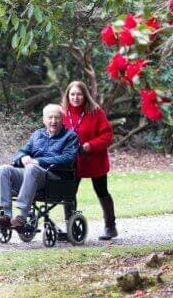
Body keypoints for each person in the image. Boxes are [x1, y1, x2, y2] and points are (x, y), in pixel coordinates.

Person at [0, 104, 79, 230]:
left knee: (32, 168)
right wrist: (22, 157)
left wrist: (38, 161)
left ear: (62, 119)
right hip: (32, 176)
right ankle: (6, 216)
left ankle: (22, 217)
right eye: (50, 117)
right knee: (4, 169)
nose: (53, 121)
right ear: (44, 120)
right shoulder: (37, 135)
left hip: (54, 178)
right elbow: (20, 152)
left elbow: (68, 158)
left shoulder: (70, 136)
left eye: (57, 117)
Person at [61, 80, 117, 240]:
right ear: (68, 95)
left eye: (79, 94)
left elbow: (107, 136)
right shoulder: (63, 113)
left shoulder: (96, 112)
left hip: (94, 160)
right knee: (68, 194)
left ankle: (110, 226)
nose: (76, 97)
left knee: (101, 191)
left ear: (85, 95)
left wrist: (89, 146)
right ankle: (71, 228)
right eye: (72, 94)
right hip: (72, 162)